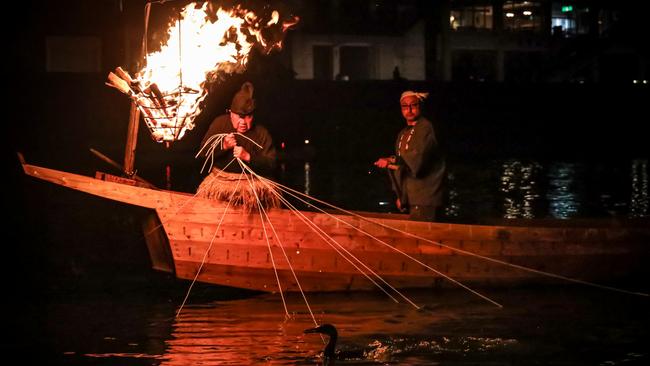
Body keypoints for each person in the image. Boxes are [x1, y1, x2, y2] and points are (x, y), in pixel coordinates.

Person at [196, 81, 279, 209]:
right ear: (231, 114)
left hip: (252, 189)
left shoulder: (262, 133)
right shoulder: (220, 123)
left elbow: (272, 164)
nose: (243, 122)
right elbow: (202, 155)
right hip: (221, 184)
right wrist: (222, 146)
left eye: (248, 117)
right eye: (239, 117)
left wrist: (249, 157)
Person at [374, 90, 446, 221]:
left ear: (420, 106)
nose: (410, 110)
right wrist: (401, 196)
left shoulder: (426, 127)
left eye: (413, 105)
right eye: (405, 106)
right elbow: (402, 166)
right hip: (412, 198)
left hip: (427, 197)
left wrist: (391, 162)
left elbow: (417, 162)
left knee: (425, 238)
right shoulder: (402, 134)